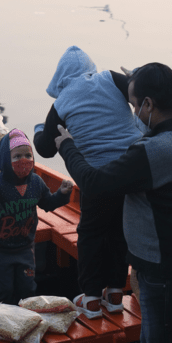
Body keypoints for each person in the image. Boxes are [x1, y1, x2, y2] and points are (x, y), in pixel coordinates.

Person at [55, 62, 172, 343]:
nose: (133, 112)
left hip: (165, 272)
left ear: (148, 105)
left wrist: (67, 145)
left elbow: (94, 182)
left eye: (134, 105)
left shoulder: (153, 152)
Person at [34, 46, 142, 318]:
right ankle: (116, 293)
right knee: (120, 231)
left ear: (61, 77)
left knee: (92, 234)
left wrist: (38, 130)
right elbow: (138, 93)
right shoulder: (111, 78)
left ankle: (92, 297)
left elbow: (47, 148)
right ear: (90, 67)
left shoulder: (61, 102)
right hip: (130, 172)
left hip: (96, 178)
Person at [0, 129, 73, 304]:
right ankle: (0, 322)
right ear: (6, 159)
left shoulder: (36, 182)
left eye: (27, 155)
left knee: (28, 288)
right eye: (16, 157)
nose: (23, 161)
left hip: (25, 246)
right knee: (3, 290)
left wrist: (62, 194)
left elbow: (48, 204)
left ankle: (27, 321)